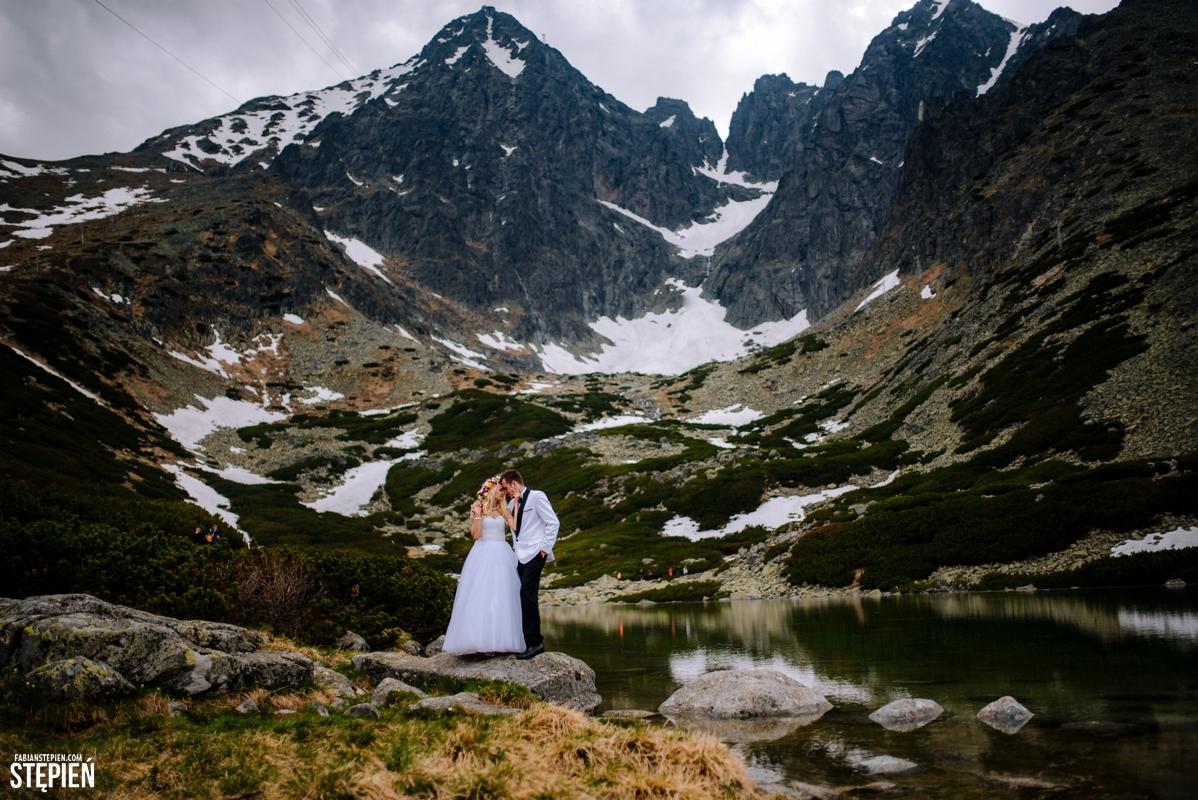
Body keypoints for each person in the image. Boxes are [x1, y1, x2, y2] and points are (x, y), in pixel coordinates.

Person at [441, 475, 526, 656]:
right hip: (483, 552)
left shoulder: (504, 510)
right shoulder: (479, 508)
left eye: (504, 490)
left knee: (502, 595)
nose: (503, 493)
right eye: (500, 490)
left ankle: (501, 640)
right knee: (481, 594)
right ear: (490, 490)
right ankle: (479, 640)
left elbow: (515, 526)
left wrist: (517, 505)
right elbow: (475, 535)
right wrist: (478, 516)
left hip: (502, 553)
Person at [499, 469, 559, 660]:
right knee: (521, 596)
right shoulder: (511, 503)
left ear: (514, 483)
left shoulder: (537, 496)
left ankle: (536, 643)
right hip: (520, 556)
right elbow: (515, 530)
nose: (506, 491)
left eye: (506, 488)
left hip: (535, 553)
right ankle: (527, 641)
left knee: (527, 594)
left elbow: (553, 522)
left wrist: (544, 549)